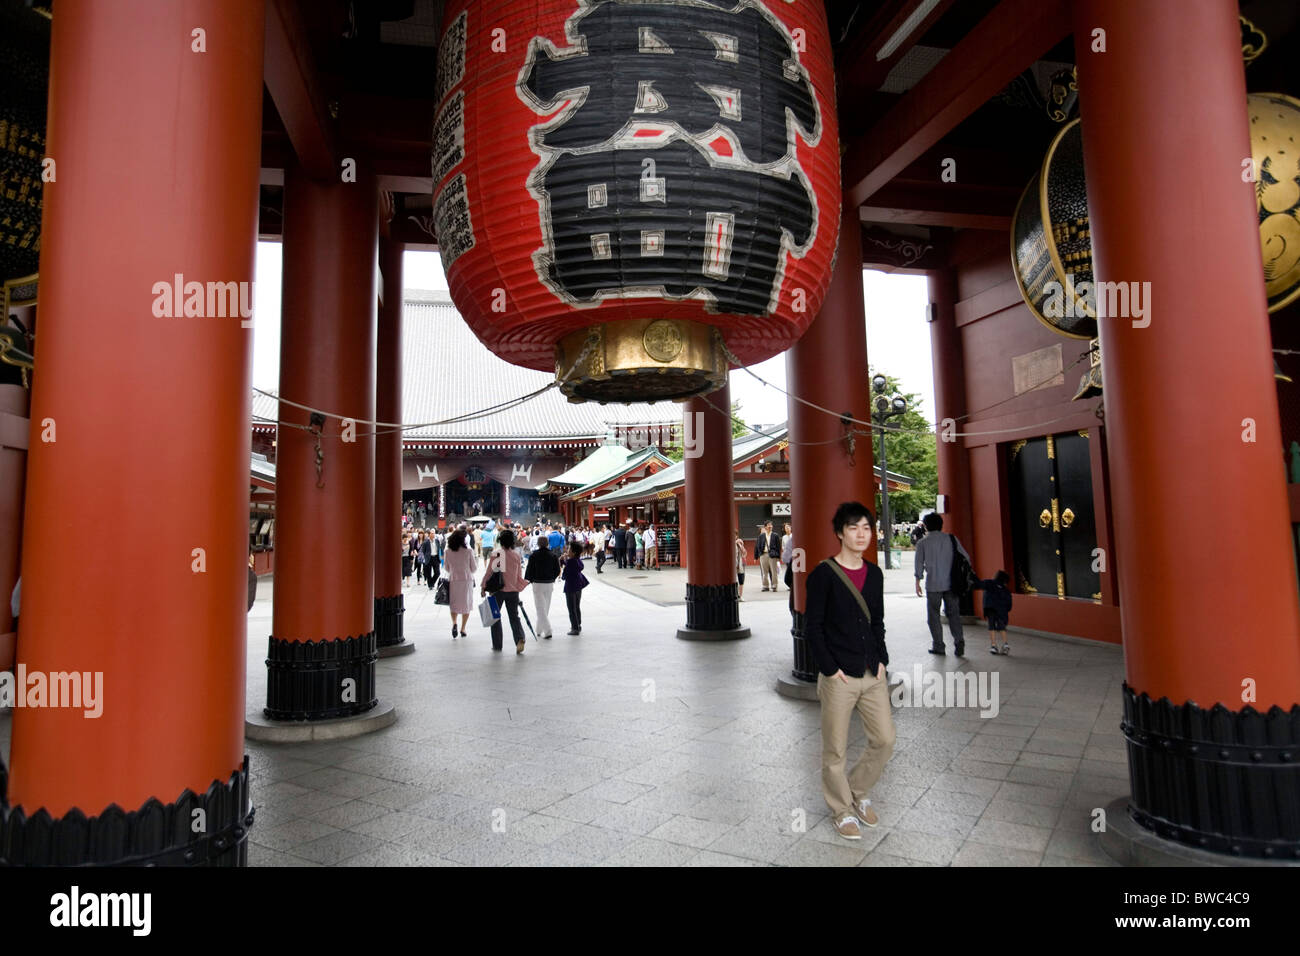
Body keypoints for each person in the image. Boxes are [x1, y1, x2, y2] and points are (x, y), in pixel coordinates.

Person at [803, 501, 894, 841]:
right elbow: (814, 627)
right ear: (840, 532)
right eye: (853, 527)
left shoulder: (875, 574)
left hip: (871, 673)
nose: (861, 534)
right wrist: (830, 668)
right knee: (835, 749)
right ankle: (841, 809)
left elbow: (878, 622)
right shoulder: (823, 575)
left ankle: (857, 789)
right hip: (839, 676)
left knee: (885, 739)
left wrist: (882, 657)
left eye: (866, 528)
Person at [913, 512, 970, 656]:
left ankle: (939, 645)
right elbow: (966, 557)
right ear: (941, 524)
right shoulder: (951, 539)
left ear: (926, 526)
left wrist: (917, 581)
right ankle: (959, 641)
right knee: (954, 615)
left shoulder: (923, 543)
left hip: (933, 585)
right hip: (952, 584)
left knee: (933, 616)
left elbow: (919, 564)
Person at [483, 528, 528, 654]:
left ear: (500, 540)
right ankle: (519, 638)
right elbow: (519, 575)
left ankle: (497, 644)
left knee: (495, 617)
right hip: (513, 591)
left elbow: (490, 573)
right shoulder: (516, 555)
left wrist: (483, 586)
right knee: (514, 617)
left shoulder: (498, 554)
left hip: (498, 591)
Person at [524, 534, 561, 640]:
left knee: (540, 607)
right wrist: (552, 578)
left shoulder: (534, 555)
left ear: (538, 544)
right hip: (549, 583)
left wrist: (529, 580)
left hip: (538, 583)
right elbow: (557, 570)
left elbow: (529, 569)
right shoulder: (553, 555)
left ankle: (548, 630)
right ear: (548, 543)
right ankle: (539, 629)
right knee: (545, 607)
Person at [444, 528, 478, 639]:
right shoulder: (468, 550)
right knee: (466, 604)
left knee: (454, 603)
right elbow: (473, 568)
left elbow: (447, 568)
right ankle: (463, 628)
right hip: (466, 580)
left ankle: (454, 622)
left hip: (454, 579)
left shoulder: (447, 551)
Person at [975, 570, 1014, 655]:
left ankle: (993, 646)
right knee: (1001, 627)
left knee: (991, 626)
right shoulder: (1006, 590)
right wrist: (1005, 610)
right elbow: (1009, 604)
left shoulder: (989, 583)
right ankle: (1005, 644)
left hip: (990, 609)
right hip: (1002, 610)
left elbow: (979, 584)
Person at [560, 541, 588, 635]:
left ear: (574, 552)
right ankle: (578, 625)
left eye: (569, 549)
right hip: (578, 585)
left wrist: (563, 563)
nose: (567, 550)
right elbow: (571, 566)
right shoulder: (577, 560)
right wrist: (564, 561)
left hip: (571, 586)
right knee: (576, 606)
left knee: (571, 608)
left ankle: (575, 628)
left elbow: (565, 575)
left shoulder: (571, 561)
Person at [756, 521, 778, 591]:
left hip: (772, 555)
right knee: (764, 572)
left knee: (774, 571)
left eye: (771, 525)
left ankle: (774, 585)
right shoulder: (761, 536)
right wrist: (760, 554)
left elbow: (778, 547)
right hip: (763, 555)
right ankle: (765, 586)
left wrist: (777, 556)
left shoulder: (775, 535)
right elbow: (758, 546)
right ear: (765, 527)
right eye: (768, 525)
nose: (770, 526)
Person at [733, 529, 747, 601]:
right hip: (733, 565)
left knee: (741, 580)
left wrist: (741, 546)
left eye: (735, 535)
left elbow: (744, 553)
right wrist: (735, 542)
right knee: (734, 581)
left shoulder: (739, 543)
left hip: (740, 564)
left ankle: (740, 595)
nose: (734, 536)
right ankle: (734, 595)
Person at [780, 522, 793, 588]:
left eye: (788, 527)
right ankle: (790, 585)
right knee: (789, 569)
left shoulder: (793, 536)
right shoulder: (784, 537)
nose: (787, 528)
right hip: (788, 556)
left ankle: (793, 584)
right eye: (786, 527)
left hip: (793, 556)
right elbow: (783, 546)